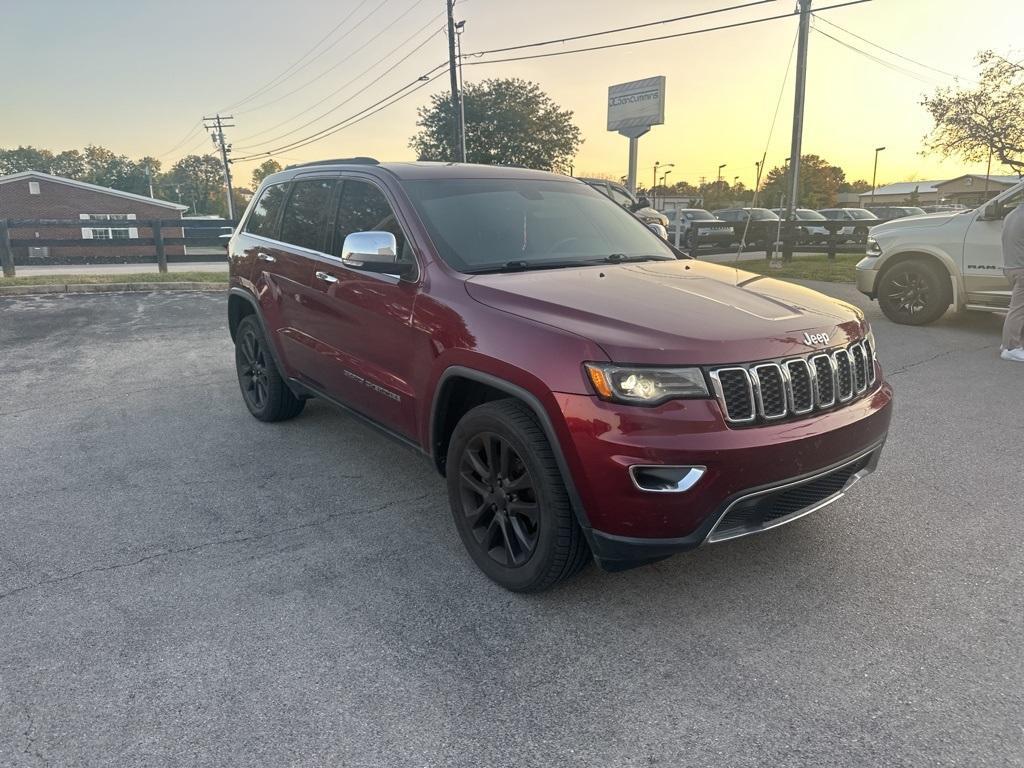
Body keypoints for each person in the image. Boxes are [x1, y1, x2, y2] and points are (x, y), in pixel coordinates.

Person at [1000, 201, 1024, 362]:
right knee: (1018, 310)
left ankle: (1009, 343)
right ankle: (1011, 348)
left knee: (1018, 309)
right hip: (1022, 268)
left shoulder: (1013, 214)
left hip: (1011, 267)